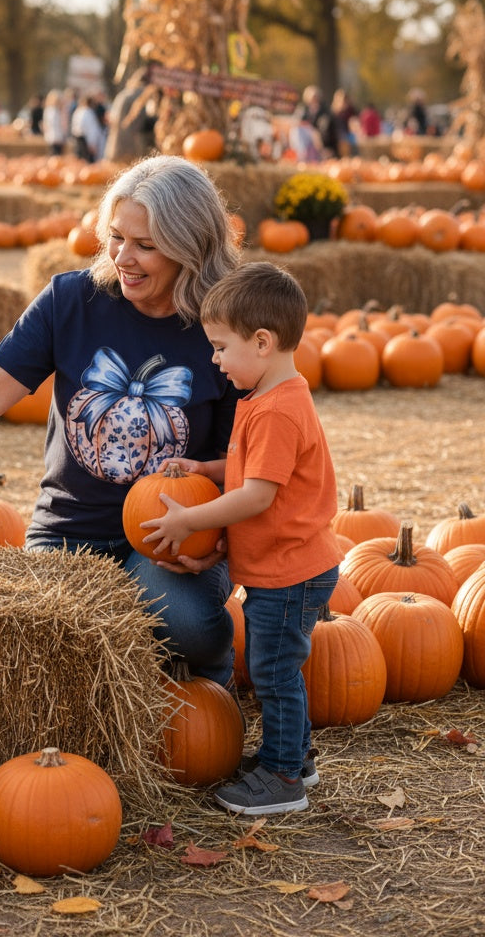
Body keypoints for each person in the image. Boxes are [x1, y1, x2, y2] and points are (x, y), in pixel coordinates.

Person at [0, 155, 243, 683]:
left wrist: (216, 540)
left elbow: (238, 461)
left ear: (191, 246)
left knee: (185, 622)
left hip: (171, 533)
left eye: (146, 246)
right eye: (115, 237)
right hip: (70, 531)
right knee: (40, 648)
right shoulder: (72, 299)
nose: (123, 257)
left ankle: (209, 667)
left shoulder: (223, 325)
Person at [141, 261, 342, 816]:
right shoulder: (268, 398)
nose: (214, 359)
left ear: (262, 341)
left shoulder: (278, 409)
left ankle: (283, 780)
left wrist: (190, 521)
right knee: (279, 666)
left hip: (291, 570)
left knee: (274, 672)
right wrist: (205, 469)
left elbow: (257, 496)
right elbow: (250, 470)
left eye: (220, 347)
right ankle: (293, 756)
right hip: (283, 566)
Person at [70, 93, 104, 161]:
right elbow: (92, 130)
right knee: (88, 160)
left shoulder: (77, 111)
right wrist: (92, 143)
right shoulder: (89, 113)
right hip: (86, 140)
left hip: (78, 138)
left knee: (80, 159)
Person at [41, 89, 68, 156]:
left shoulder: (59, 110)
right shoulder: (50, 110)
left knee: (58, 153)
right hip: (53, 135)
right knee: (54, 153)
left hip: (59, 135)